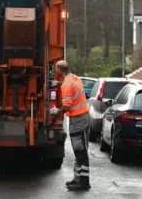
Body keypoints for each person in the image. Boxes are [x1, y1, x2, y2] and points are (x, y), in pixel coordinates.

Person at [49, 60, 91, 191]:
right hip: (83, 118)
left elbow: (67, 106)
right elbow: (70, 86)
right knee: (80, 150)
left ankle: (84, 182)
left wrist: (56, 111)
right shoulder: (75, 78)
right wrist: (58, 83)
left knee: (80, 151)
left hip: (78, 120)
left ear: (59, 71)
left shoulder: (67, 85)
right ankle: (78, 178)